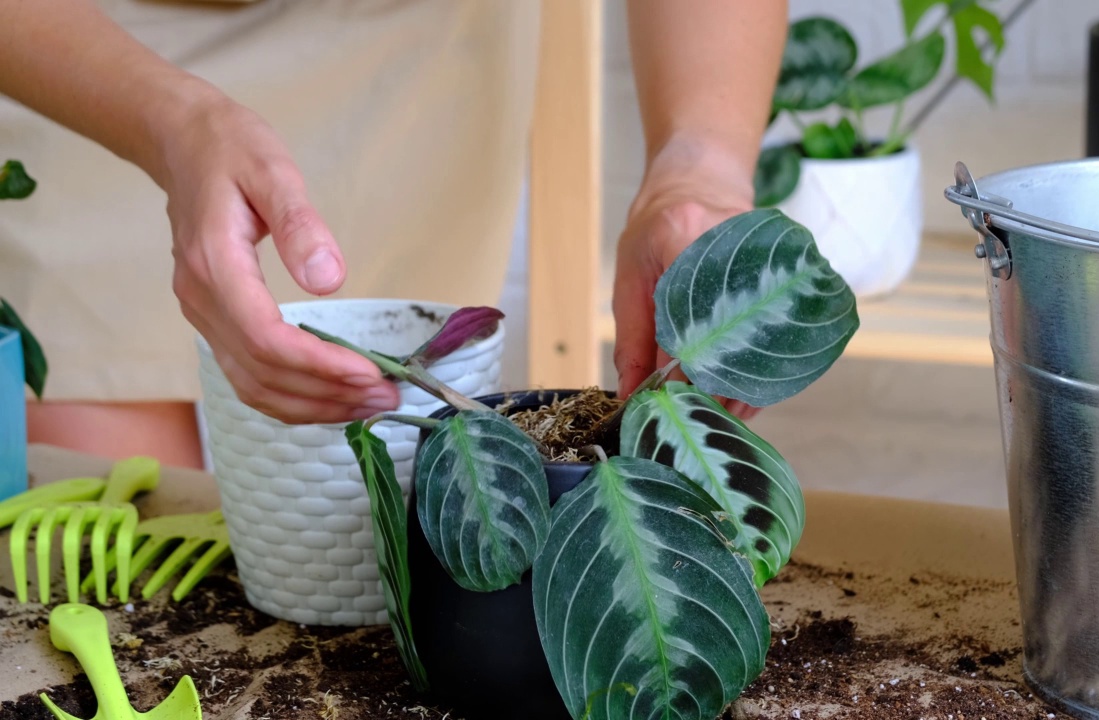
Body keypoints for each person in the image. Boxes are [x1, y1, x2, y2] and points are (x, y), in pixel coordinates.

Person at [0, 0, 780, 468]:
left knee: (377, 510)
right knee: (109, 539)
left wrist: (696, 170)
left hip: (415, 54)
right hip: (90, 49)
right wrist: (172, 125)